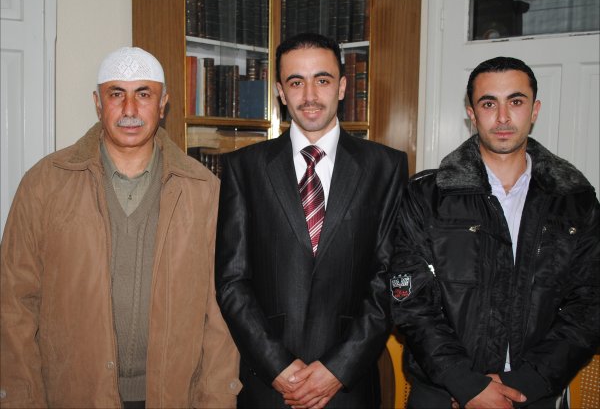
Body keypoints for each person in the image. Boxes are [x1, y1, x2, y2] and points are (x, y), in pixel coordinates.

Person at [0, 47, 241, 408]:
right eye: (116, 94)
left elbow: (220, 314)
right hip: (72, 394)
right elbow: (14, 303)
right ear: (98, 103)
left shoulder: (204, 190)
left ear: (163, 104)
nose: (130, 109)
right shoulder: (44, 184)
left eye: (143, 94)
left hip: (174, 395)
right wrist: (22, 399)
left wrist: (216, 399)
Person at [390, 56, 600, 408]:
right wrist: (465, 383)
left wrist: (525, 383)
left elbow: (589, 305)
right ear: (471, 114)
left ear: (534, 110)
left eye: (515, 101)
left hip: (534, 394)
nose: (502, 117)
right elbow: (410, 303)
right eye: (489, 104)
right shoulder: (426, 196)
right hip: (444, 393)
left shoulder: (575, 199)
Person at [215, 32, 408, 408]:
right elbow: (231, 282)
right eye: (295, 82)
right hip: (269, 386)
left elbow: (389, 278)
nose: (309, 95)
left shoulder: (385, 167)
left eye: (322, 80)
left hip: (349, 387)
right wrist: (278, 367)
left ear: (342, 87)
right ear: (280, 92)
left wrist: (338, 368)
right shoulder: (245, 168)